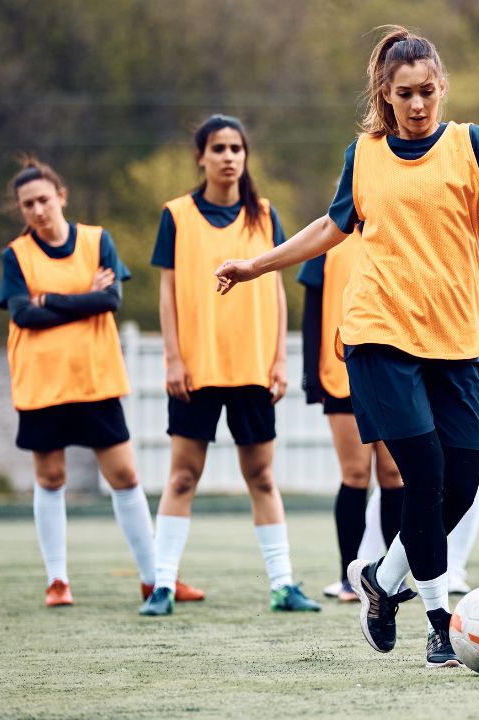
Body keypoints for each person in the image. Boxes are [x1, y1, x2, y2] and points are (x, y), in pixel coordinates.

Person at [213, 26, 479, 667]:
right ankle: (440, 621)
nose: (417, 104)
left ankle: (380, 580)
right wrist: (256, 265)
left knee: (460, 488)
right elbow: (331, 225)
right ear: (385, 93)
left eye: (427, 92)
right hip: (378, 334)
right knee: (425, 475)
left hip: (455, 340)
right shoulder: (366, 154)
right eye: (404, 94)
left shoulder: (473, 146)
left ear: (442, 88)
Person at [139, 114, 320, 616]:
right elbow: (169, 292)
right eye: (217, 148)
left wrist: (280, 356)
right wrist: (174, 358)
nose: (228, 156)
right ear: (201, 156)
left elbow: (279, 291)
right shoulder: (176, 214)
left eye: (236, 148)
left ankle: (283, 584)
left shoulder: (265, 215)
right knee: (181, 477)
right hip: (197, 369)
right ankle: (163, 585)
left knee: (262, 477)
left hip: (253, 368)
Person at [0, 156, 170, 608]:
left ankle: (155, 580)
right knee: (50, 478)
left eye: (43, 199)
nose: (37, 209)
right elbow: (22, 314)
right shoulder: (15, 256)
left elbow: (110, 299)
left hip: (95, 379)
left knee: (125, 475)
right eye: (27, 204)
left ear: (61, 196)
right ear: (21, 210)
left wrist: (52, 298)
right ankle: (58, 581)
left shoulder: (97, 241)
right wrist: (83, 298)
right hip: (41, 382)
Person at [357, 228, 479, 595]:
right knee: (420, 476)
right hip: (415, 364)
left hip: (473, 372)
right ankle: (382, 564)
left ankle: (433, 567)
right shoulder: (411, 243)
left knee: (463, 484)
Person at [298, 233, 405, 603]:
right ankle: (348, 575)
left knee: (393, 474)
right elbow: (312, 312)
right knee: (355, 474)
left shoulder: (398, 230)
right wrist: (312, 377)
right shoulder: (329, 239)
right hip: (341, 374)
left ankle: (391, 577)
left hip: (394, 373)